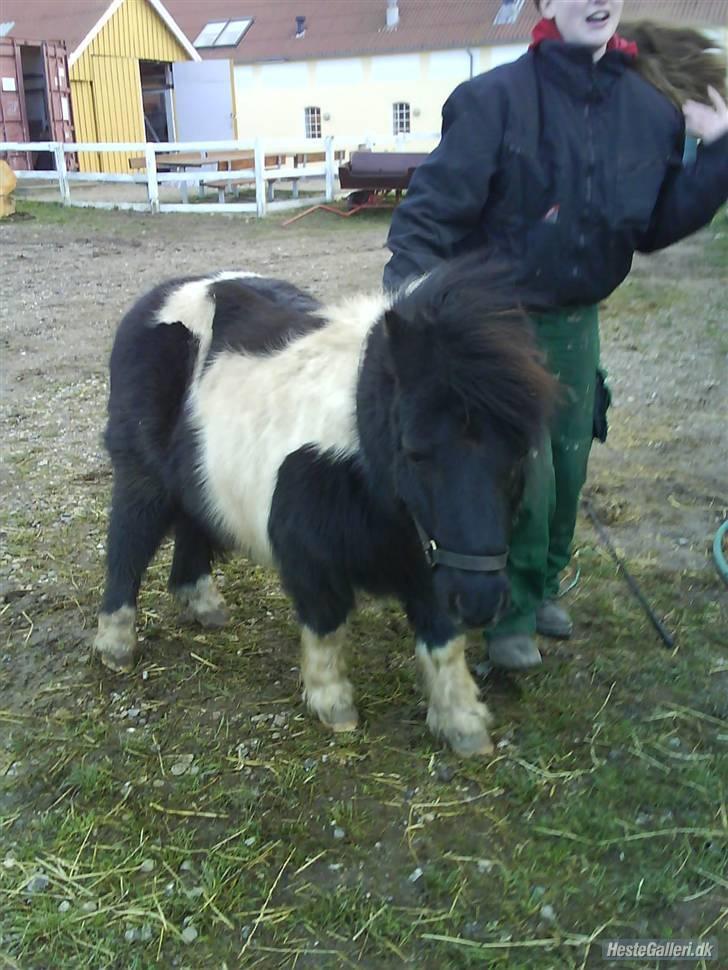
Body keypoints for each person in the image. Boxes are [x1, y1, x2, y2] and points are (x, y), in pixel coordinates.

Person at [383, 0, 728, 670]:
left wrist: (718, 155)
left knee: (568, 466)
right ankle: (505, 622)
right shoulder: (493, 101)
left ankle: (538, 589)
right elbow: (429, 213)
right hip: (499, 325)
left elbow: (654, 225)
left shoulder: (649, 110)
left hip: (578, 320)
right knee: (522, 476)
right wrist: (407, 298)